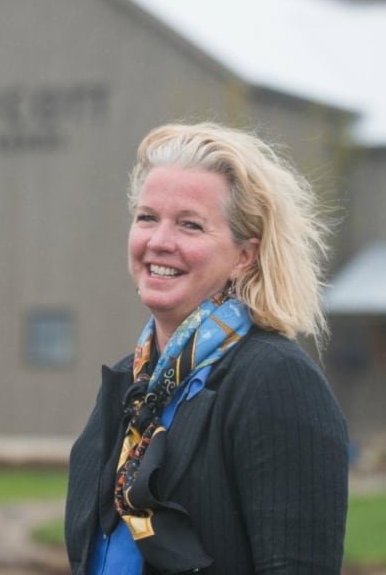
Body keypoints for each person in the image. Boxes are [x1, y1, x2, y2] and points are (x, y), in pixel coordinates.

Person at [64, 123, 349, 574]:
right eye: (147, 218)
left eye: (190, 225)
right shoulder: (129, 388)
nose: (159, 241)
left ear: (245, 255)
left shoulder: (274, 380)